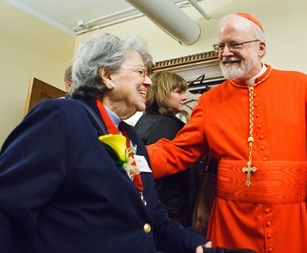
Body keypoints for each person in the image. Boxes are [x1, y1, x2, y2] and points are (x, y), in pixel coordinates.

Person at [146, 13, 307, 253]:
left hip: (291, 221)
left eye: (235, 44)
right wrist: (123, 157)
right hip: (232, 222)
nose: (226, 52)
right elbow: (177, 152)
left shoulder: (300, 86)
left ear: (260, 47)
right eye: (221, 46)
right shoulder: (210, 101)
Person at [0, 32, 210, 253]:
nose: (148, 81)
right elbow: (8, 206)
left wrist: (196, 245)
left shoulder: (132, 136)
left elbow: (152, 214)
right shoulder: (61, 116)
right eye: (140, 72)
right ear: (106, 75)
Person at [134, 71, 195, 227]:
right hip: (170, 215)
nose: (185, 97)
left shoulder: (147, 120)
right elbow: (169, 182)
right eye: (178, 92)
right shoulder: (165, 125)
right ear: (162, 93)